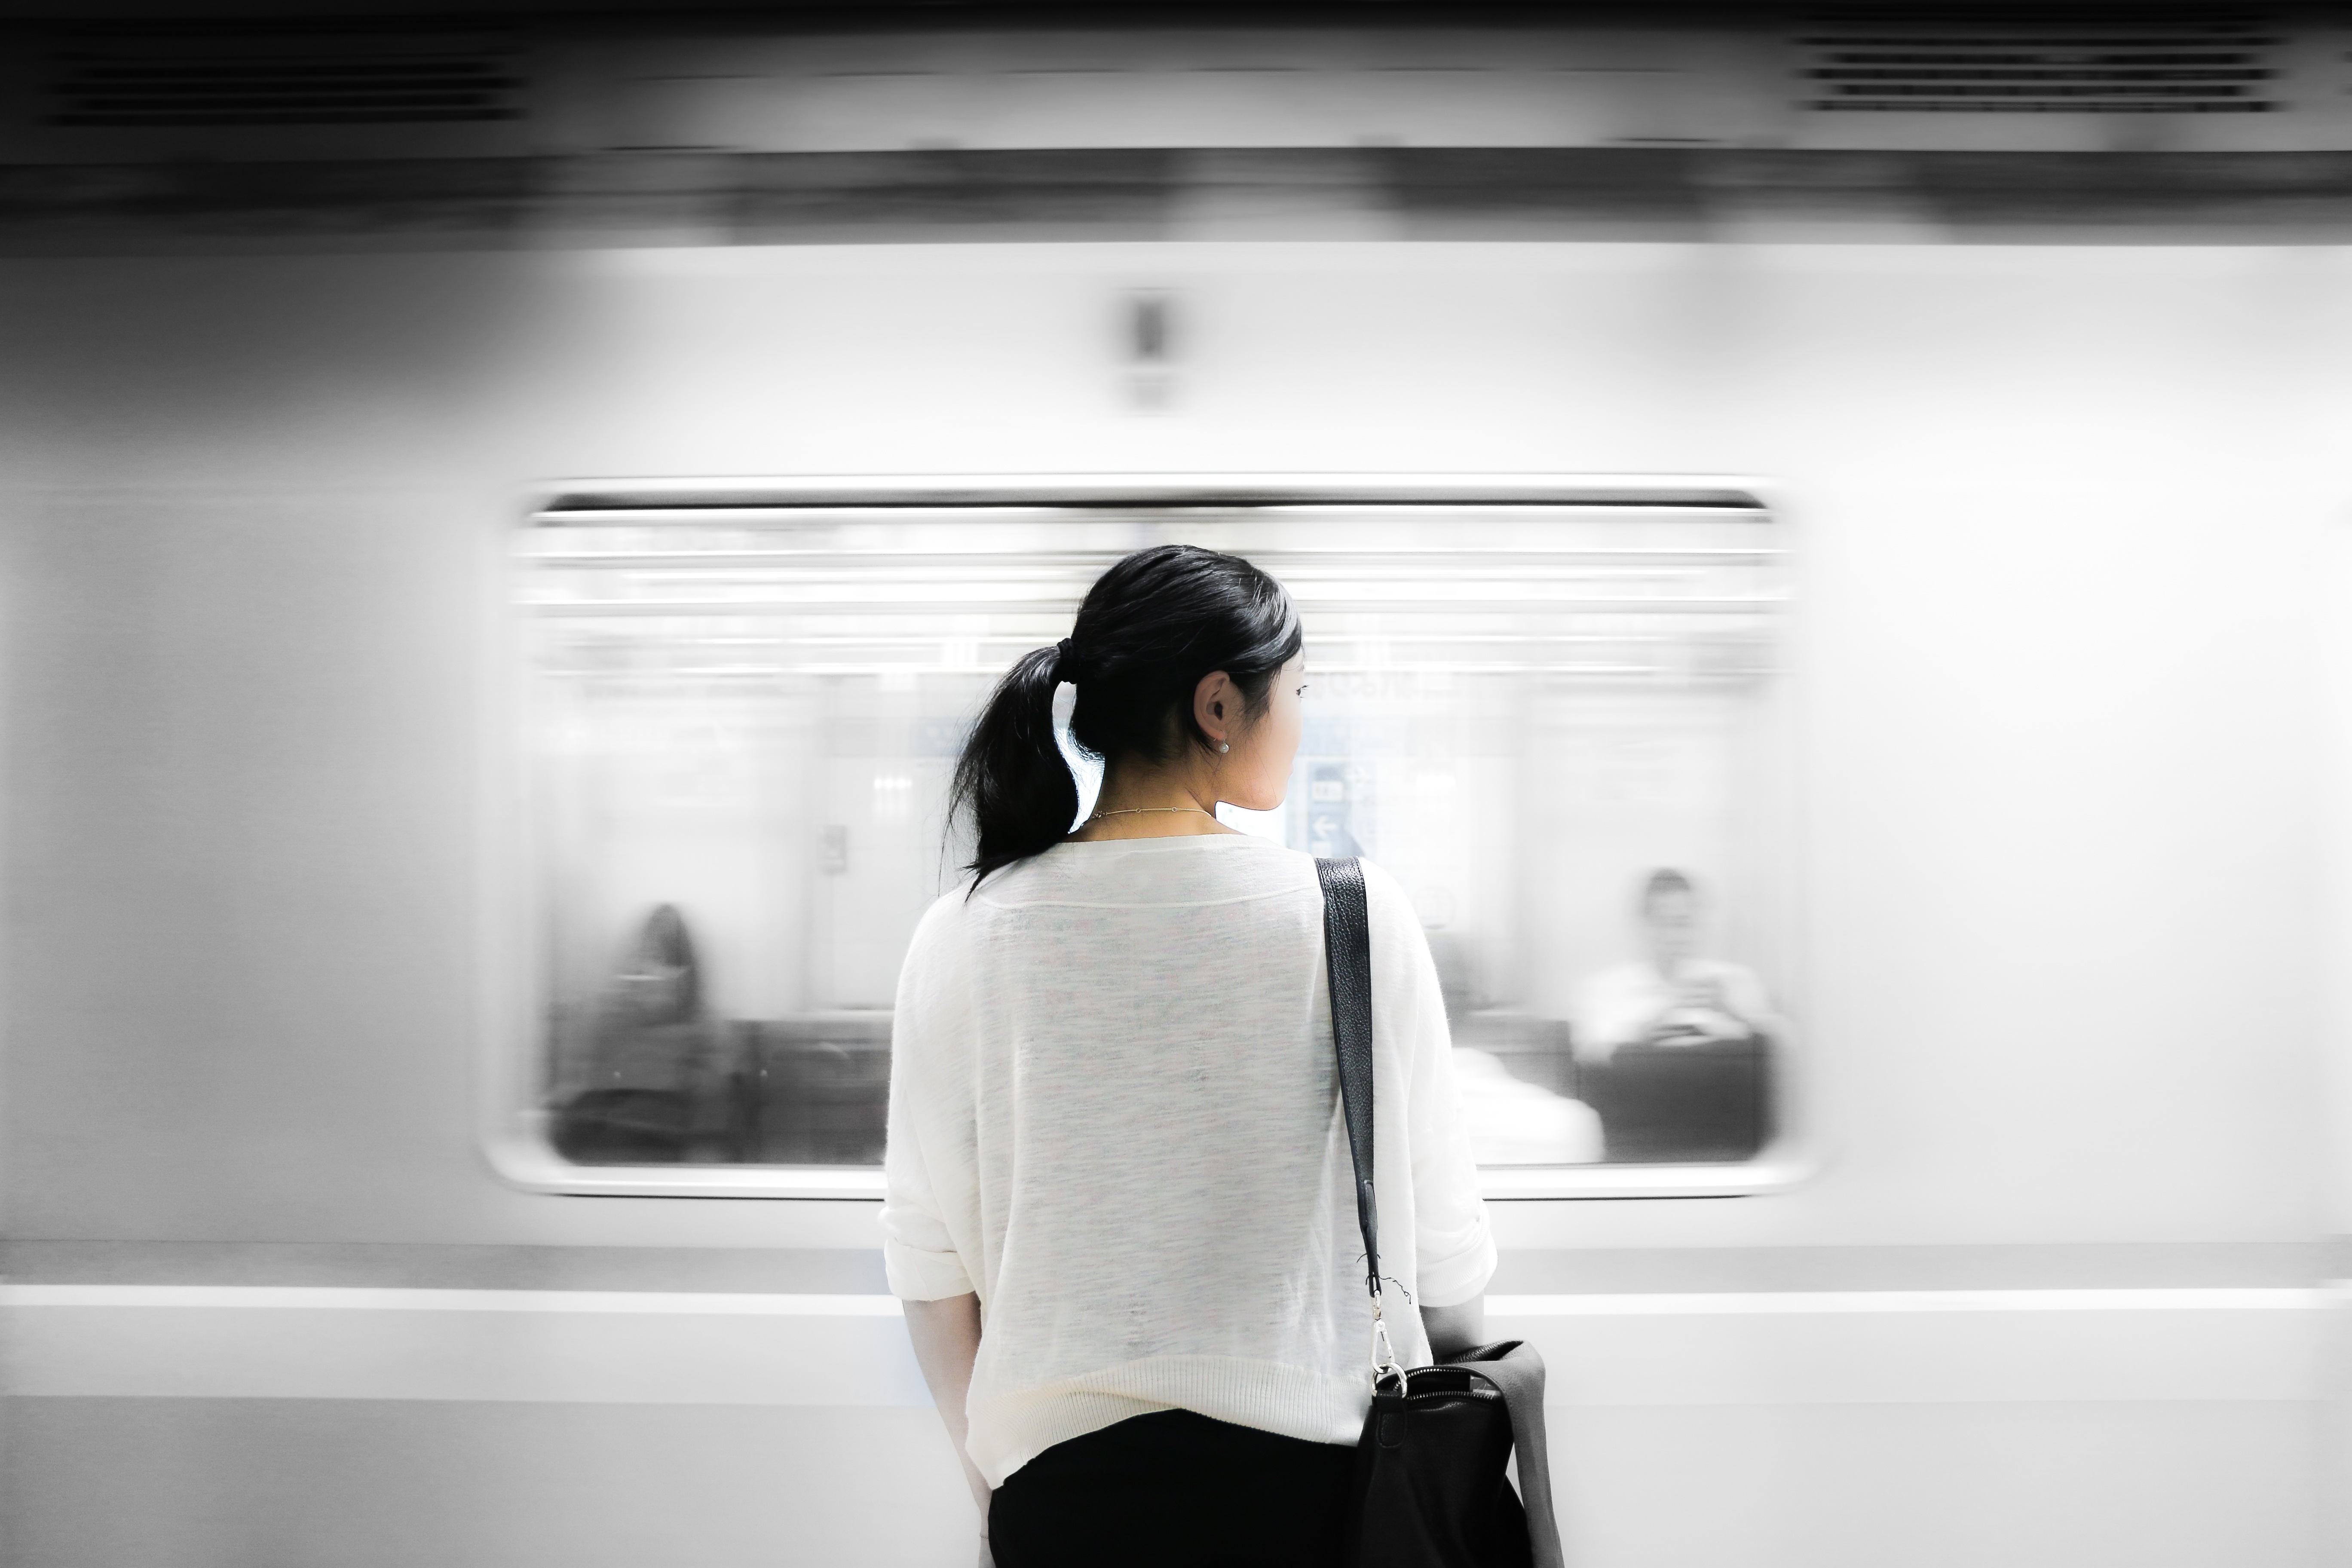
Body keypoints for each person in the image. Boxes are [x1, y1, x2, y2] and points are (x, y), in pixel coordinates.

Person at [880, 544, 1496, 1568]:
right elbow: (1441, 1250)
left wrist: (997, 1494)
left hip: (1061, 1506)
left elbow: (929, 1265)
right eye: (1294, 691)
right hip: (1318, 1501)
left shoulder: (958, 931)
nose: (1300, 723)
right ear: (1218, 706)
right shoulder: (1354, 915)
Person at [551, 904, 731, 1164]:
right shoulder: (606, 1018)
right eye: (645, 960)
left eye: (666, 962)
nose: (652, 973)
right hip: (607, 1150)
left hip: (672, 1153)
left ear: (685, 971)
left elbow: (711, 1120)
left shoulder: (706, 1028)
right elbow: (582, 1093)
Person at [1571, 868, 1782, 1064]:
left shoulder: (1733, 981)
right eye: (1665, 924)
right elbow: (1588, 1059)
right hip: (1636, 1097)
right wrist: (1644, 1031)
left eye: (1686, 923)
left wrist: (1732, 1012)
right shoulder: (1604, 989)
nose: (1678, 936)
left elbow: (1785, 1047)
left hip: (1721, 1098)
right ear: (1644, 925)